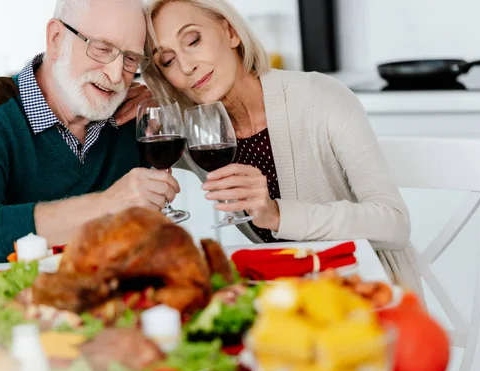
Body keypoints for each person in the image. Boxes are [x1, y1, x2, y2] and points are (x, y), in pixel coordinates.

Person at [142, 0, 422, 291]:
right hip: (288, 297)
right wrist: (133, 95)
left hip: (370, 289)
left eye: (193, 40)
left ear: (230, 32)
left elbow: (395, 223)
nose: (187, 66)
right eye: (168, 61)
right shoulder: (195, 135)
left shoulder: (321, 97)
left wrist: (276, 214)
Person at [0, 0, 180, 265]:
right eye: (101, 49)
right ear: (55, 38)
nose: (115, 75)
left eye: (130, 58)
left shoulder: (133, 117)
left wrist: (164, 100)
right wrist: (106, 205)